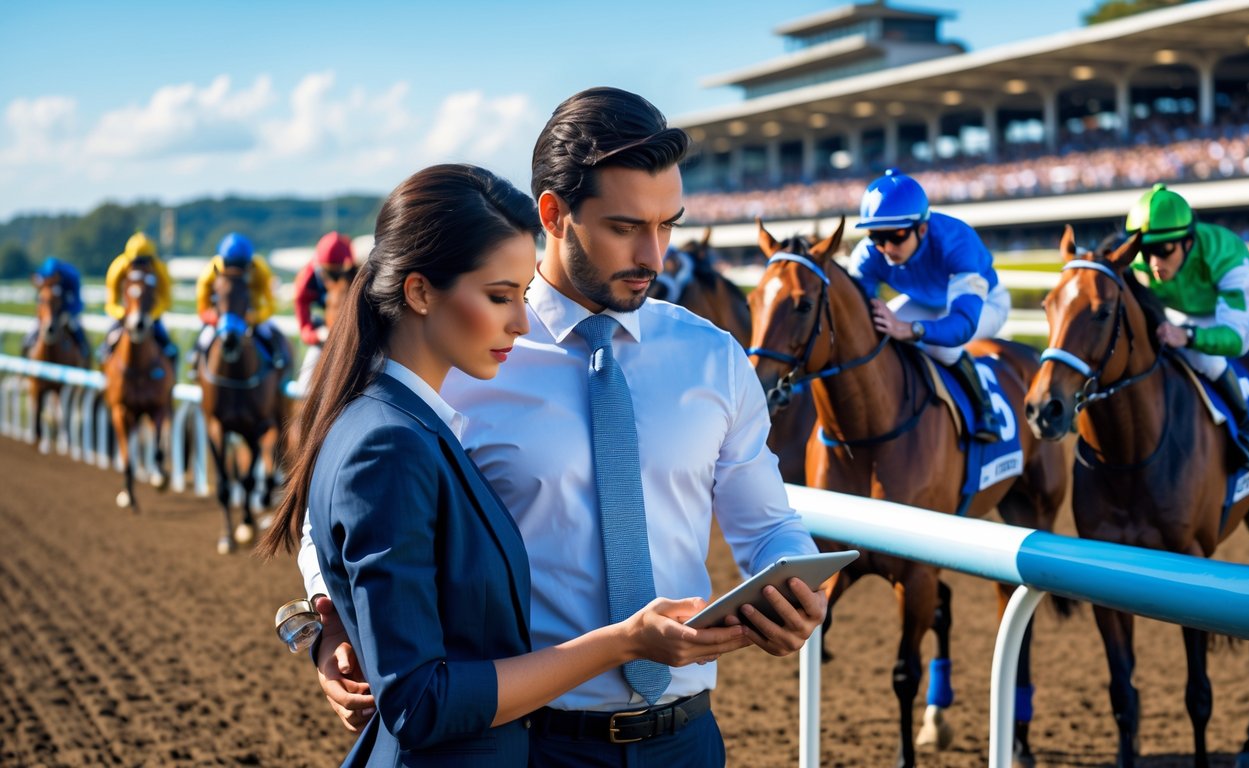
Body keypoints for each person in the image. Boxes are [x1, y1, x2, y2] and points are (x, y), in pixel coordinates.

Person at [296, 87, 828, 765]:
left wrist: (800, 588)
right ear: (553, 213)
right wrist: (330, 620)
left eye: (669, 224)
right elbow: (338, 506)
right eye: (626, 227)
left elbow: (767, 523)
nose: (655, 255)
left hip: (689, 739)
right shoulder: (459, 347)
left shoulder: (713, 355)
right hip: (525, 741)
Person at [849, 168, 1010, 441]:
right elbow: (859, 312)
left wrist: (912, 330)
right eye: (876, 236)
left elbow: (962, 325)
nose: (887, 247)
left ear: (922, 228)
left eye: (897, 235)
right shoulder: (866, 255)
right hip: (926, 301)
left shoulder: (957, 242)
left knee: (941, 345)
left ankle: (984, 409)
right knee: (879, 333)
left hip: (985, 304)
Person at [1125, 182, 1249, 467]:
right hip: (1178, 312)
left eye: (1163, 250)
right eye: (1146, 250)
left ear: (1188, 241)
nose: (1153, 262)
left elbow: (1236, 339)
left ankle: (1247, 426)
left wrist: (1188, 336)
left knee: (1204, 358)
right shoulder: (1140, 261)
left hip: (1226, 313)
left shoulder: (1227, 255)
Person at [192, 232, 285, 370]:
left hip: (251, 313)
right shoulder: (209, 272)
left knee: (267, 332)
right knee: (204, 338)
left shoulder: (260, 270)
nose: (236, 271)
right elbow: (202, 308)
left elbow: (271, 304)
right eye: (231, 265)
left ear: (249, 262)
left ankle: (277, 360)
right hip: (220, 316)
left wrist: (254, 317)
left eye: (241, 266)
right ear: (223, 261)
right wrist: (217, 319)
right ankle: (195, 362)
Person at [100, 232, 178, 366]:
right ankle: (103, 365)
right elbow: (111, 303)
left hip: (151, 313)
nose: (141, 266)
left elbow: (166, 300)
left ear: (151, 260)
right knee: (106, 345)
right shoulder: (118, 267)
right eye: (136, 262)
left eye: (145, 262)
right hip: (126, 313)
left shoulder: (160, 268)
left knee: (170, 348)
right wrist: (123, 314)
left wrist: (151, 315)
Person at [293, 231, 357, 388]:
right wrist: (316, 335)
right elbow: (304, 327)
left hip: (349, 327)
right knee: (305, 383)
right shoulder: (306, 280)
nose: (334, 278)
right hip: (323, 329)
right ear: (319, 267)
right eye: (329, 272)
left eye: (339, 272)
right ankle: (303, 394)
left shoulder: (353, 273)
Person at [23, 256, 91, 360]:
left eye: (53, 281)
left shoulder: (72, 277)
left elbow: (78, 302)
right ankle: (25, 351)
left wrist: (68, 312)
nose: (51, 283)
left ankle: (84, 350)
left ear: (58, 276)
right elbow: (39, 294)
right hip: (49, 309)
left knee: (75, 325)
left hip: (67, 308)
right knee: (33, 328)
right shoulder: (43, 274)